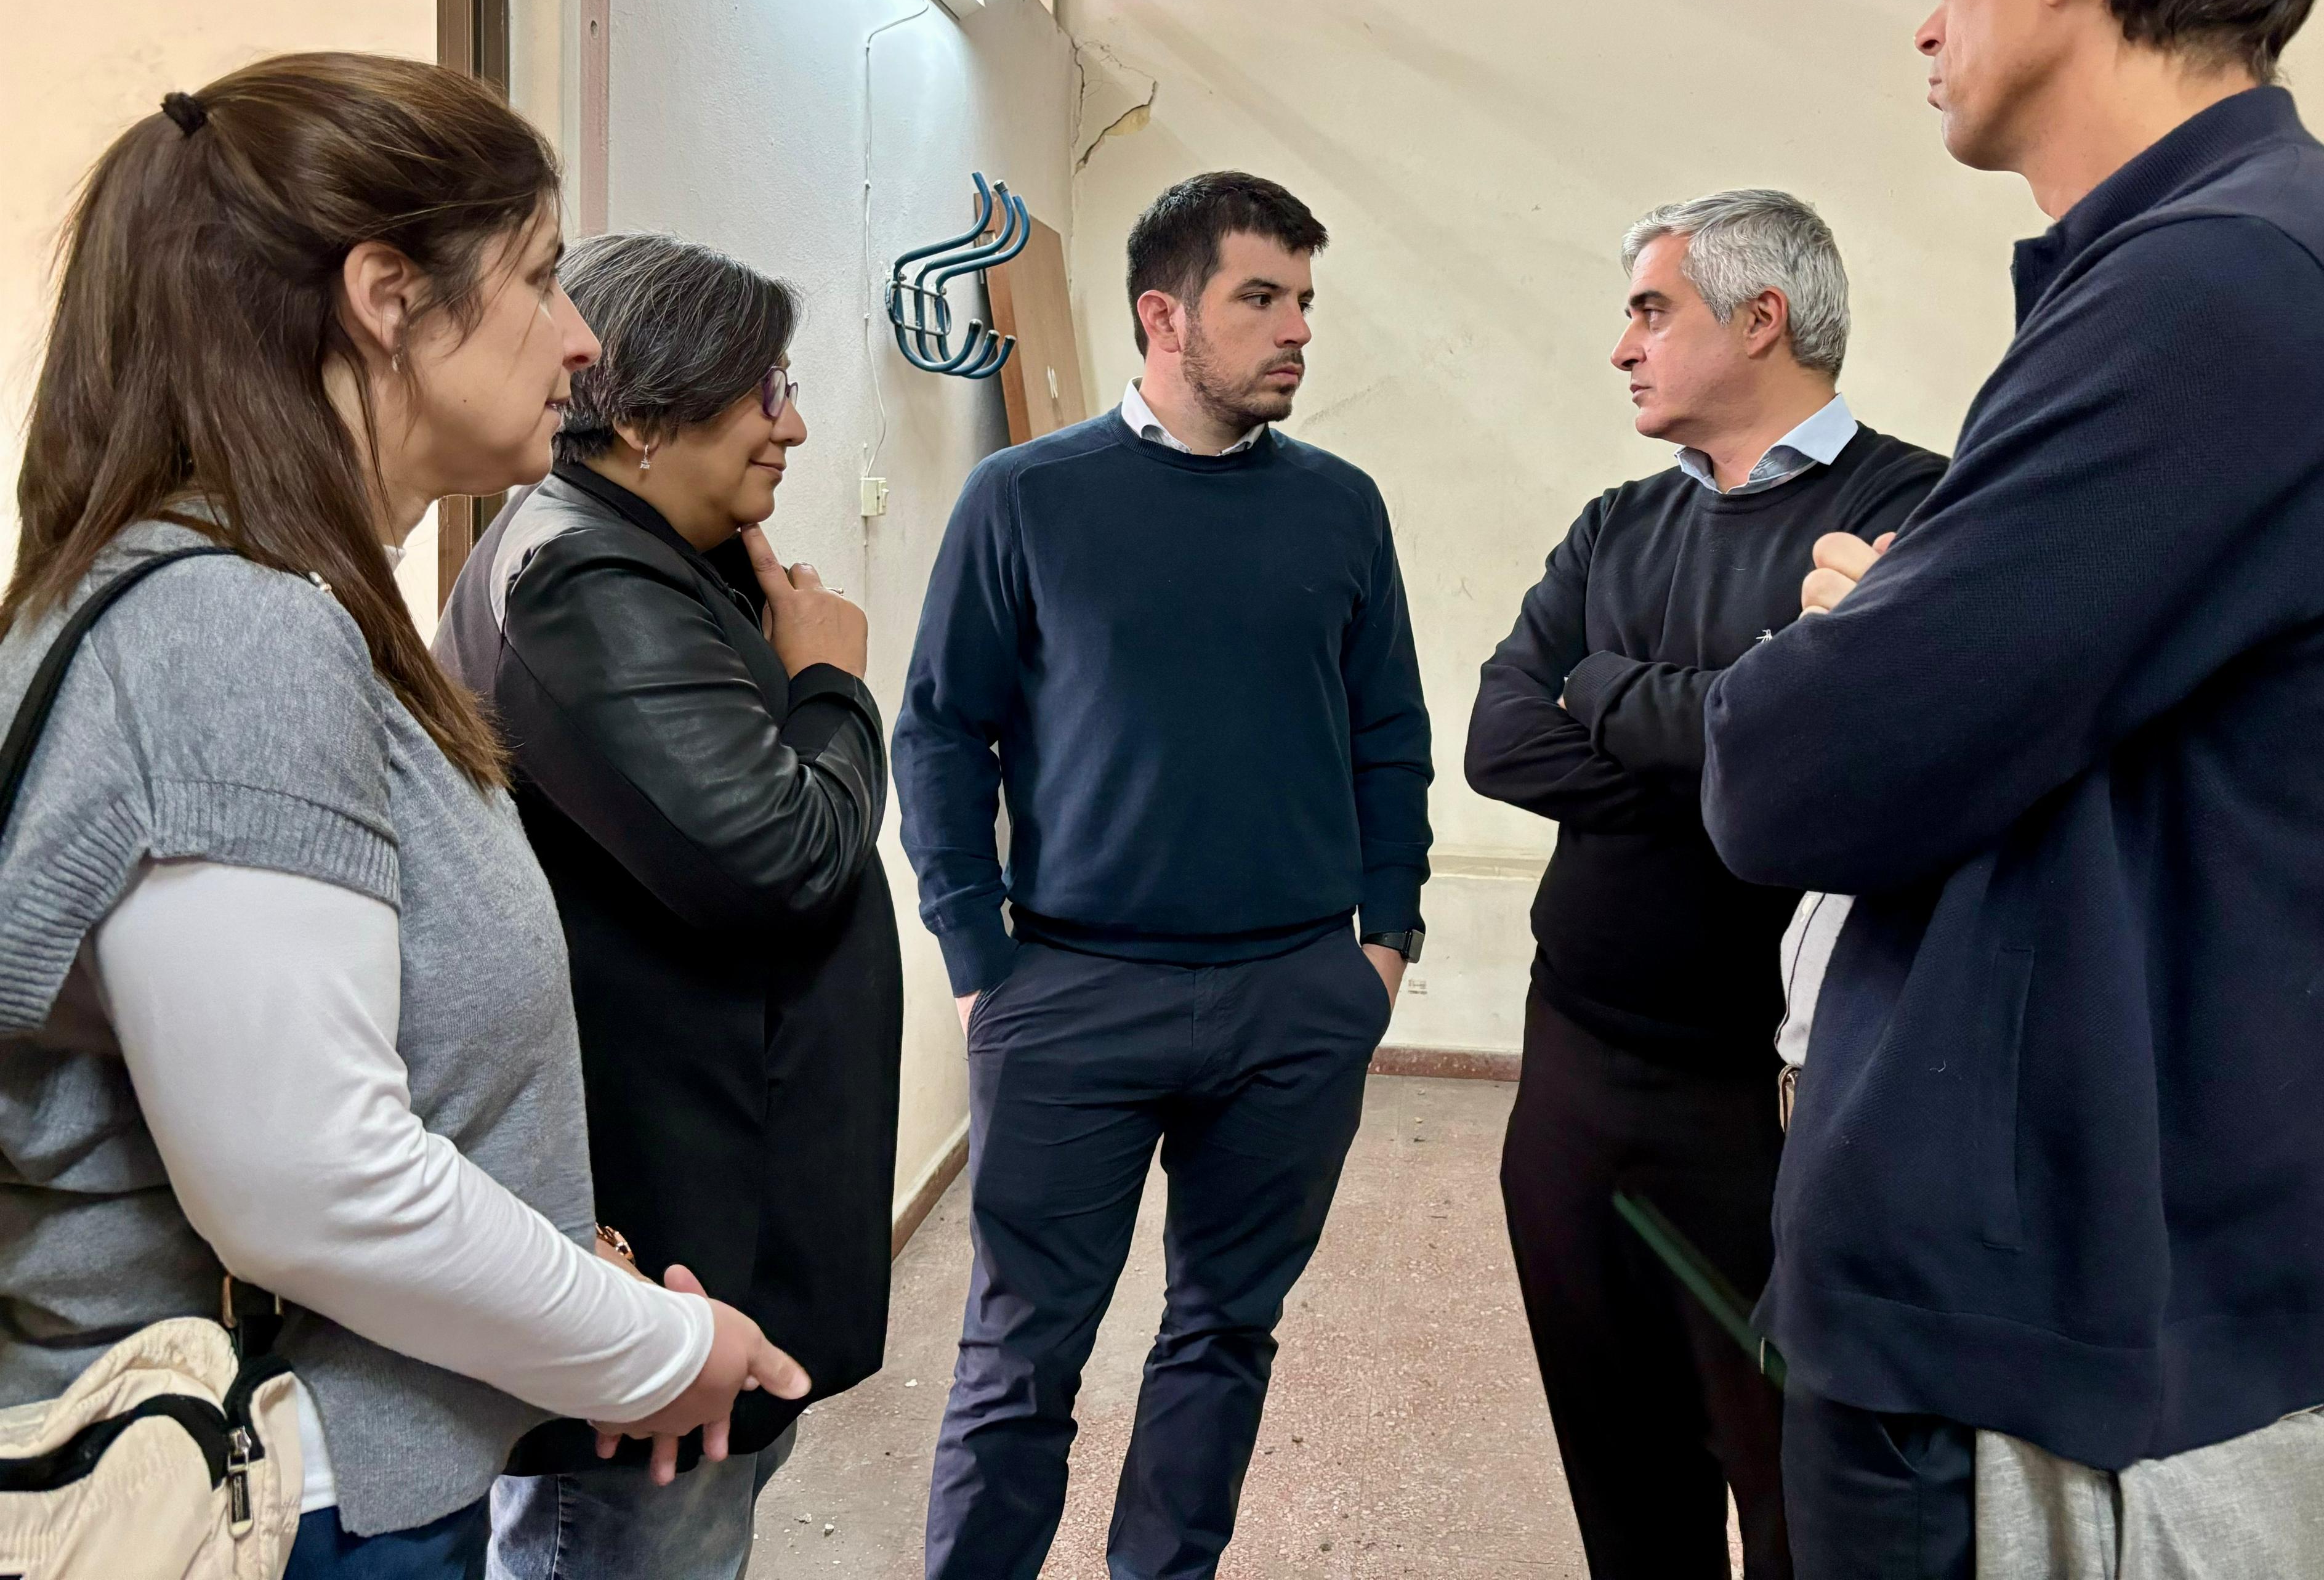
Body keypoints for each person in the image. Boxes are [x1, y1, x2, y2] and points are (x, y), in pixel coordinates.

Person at [1696, 0, 2324, 1578]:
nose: (1925, 22)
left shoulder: (2222, 288)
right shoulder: (2271, 266)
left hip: (2024, 1312)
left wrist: (1840, 631)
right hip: (2093, 1247)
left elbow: (1794, 776)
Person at [0, 55, 805, 1577]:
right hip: (262, 1495)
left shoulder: (273, 597)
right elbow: (310, 1187)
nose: (579, 344)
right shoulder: (231, 626)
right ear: (386, 295)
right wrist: (650, 1352)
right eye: (544, 276)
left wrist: (571, 1266)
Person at [895, 171, 1432, 1580]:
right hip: (1073, 989)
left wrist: (1383, 945)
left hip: (1292, 996)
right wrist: (976, 962)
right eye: (1261, 298)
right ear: (1162, 314)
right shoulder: (1027, 498)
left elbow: (1391, 731)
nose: (1296, 330)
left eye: (1305, 300)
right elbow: (942, 730)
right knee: (1023, 1353)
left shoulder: (1340, 509)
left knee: (1223, 1334)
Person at [1466, 190, 1944, 1580]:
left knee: (1796, 1482)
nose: (1620, 347)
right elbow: (1501, 741)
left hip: (1772, 1103)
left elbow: (1843, 772)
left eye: (1649, 309)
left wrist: (1608, 695)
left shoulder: (1914, 507)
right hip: (1572, 1074)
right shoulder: (1615, 524)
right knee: (1620, 1472)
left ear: (1760, 317)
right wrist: (1735, 730)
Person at [434, 233, 900, 1580]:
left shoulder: (656, 558)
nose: (794, 425)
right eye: (764, 391)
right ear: (642, 413)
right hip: (673, 1206)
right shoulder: (588, 576)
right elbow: (783, 858)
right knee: (635, 1540)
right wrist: (830, 683)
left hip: (712, 1179)